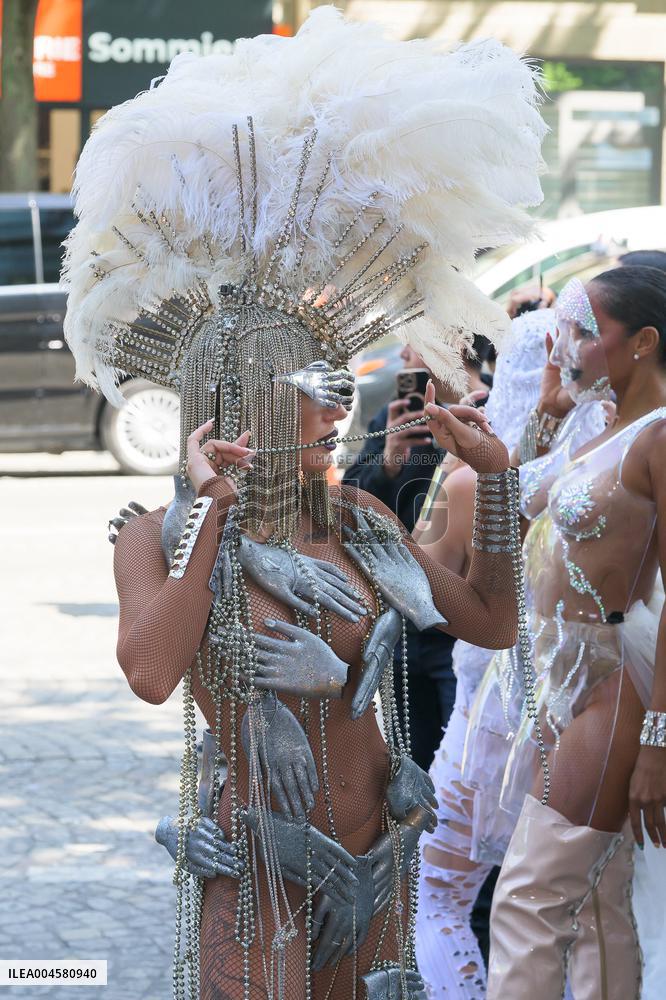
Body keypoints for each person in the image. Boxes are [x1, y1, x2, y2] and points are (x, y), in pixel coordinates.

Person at [62, 8, 546, 998]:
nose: (335, 407)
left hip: (381, 855)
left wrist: (495, 480)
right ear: (238, 402)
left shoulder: (362, 527)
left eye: (335, 385)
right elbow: (152, 673)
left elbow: (492, 620)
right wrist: (209, 520)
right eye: (305, 389)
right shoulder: (155, 537)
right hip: (259, 868)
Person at [486, 266, 666, 1000]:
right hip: (556, 680)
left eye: (589, 332)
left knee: (527, 899)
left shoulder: (658, 437)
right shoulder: (599, 425)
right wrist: (542, 415)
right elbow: (516, 507)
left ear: (644, 342)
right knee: (595, 902)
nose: (568, 345)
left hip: (609, 683)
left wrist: (659, 740)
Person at [343, 336, 493, 772]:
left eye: (414, 344)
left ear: (451, 343)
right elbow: (350, 506)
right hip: (404, 619)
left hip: (469, 622)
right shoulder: (398, 413)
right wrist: (387, 462)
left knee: (464, 764)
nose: (404, 356)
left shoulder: (496, 408)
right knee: (412, 764)